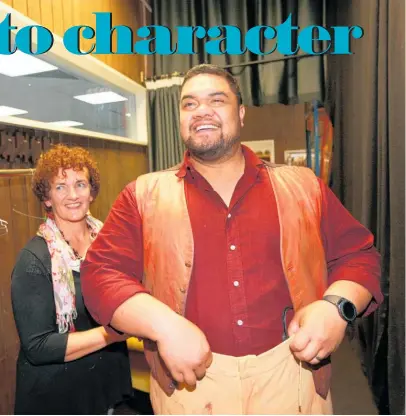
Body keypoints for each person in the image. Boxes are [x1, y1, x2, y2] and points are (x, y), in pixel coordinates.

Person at [80, 64, 383, 415]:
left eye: (216, 99)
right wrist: (162, 326)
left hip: (293, 377)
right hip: (189, 385)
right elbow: (101, 275)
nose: (201, 110)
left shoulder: (303, 187)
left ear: (240, 114)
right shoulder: (142, 196)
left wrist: (336, 307)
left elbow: (359, 256)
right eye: (189, 104)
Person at [11, 144, 132, 415]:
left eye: (80, 184)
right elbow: (38, 347)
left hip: (105, 390)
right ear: (47, 198)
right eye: (60, 187)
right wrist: (110, 334)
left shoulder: (110, 244)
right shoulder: (34, 259)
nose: (73, 195)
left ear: (92, 191)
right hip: (56, 397)